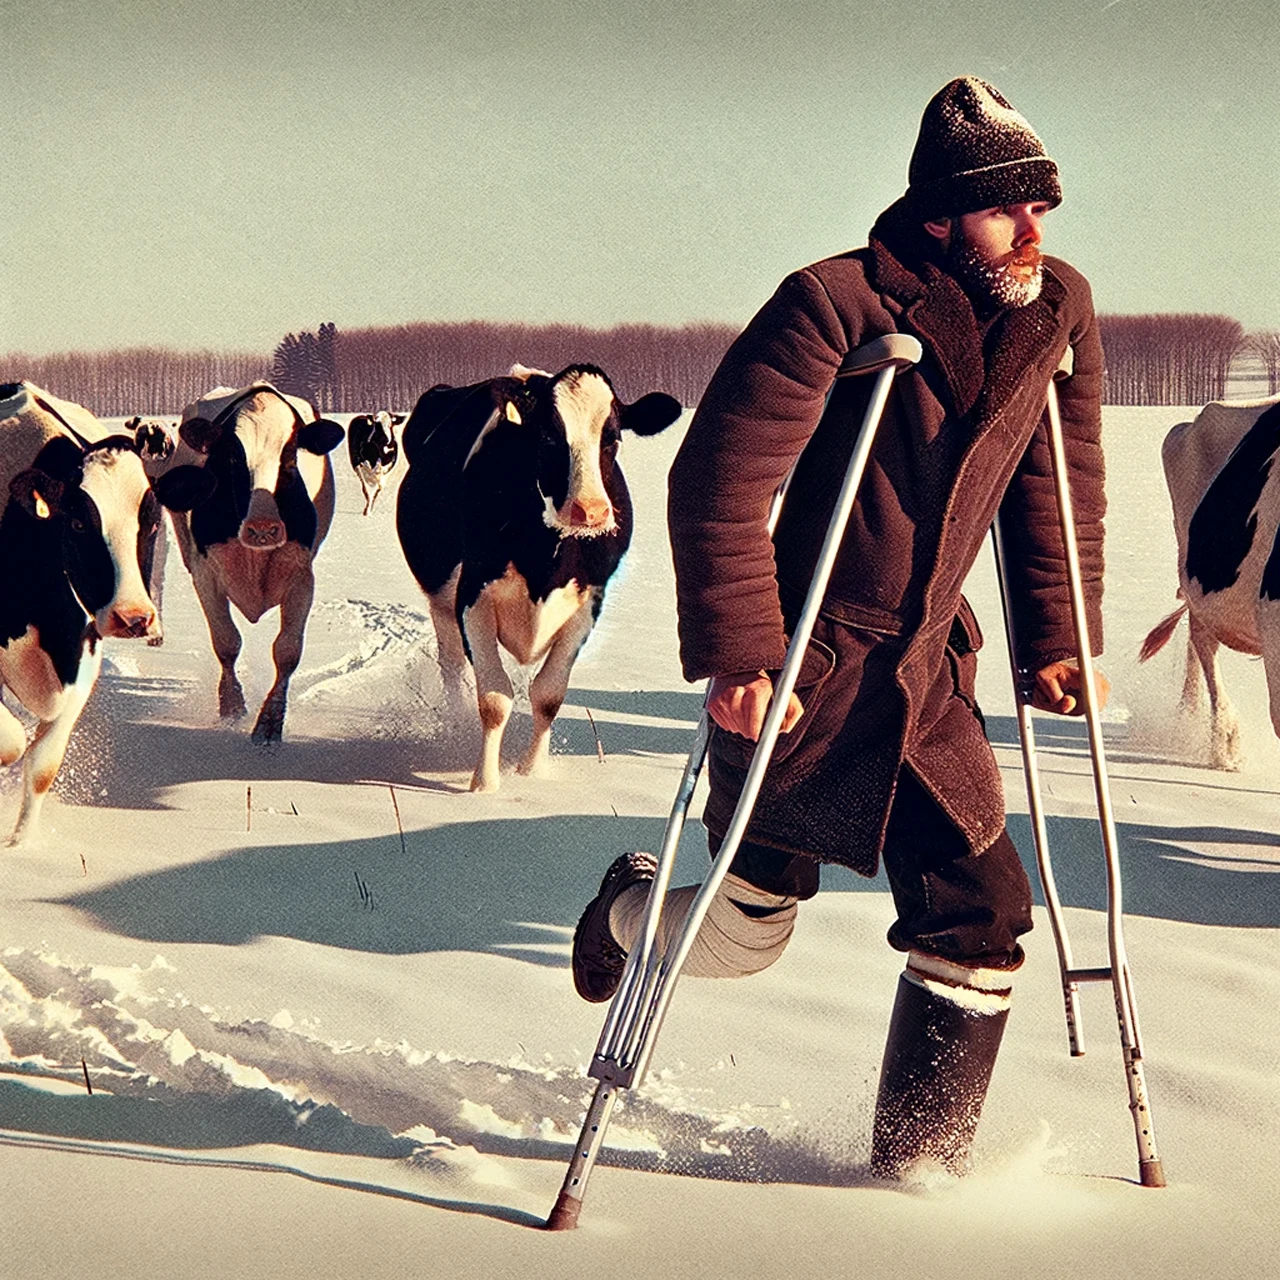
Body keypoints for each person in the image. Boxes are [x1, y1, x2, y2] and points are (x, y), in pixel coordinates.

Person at [570, 76, 1109, 1179]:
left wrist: (1056, 636)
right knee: (748, 926)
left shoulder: (1056, 306)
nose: (1032, 231)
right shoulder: (831, 301)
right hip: (808, 661)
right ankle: (623, 912)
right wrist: (737, 655)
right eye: (1009, 208)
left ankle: (913, 1176)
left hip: (928, 675)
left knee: (980, 906)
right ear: (936, 216)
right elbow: (719, 481)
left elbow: (1056, 482)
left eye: (1041, 207)